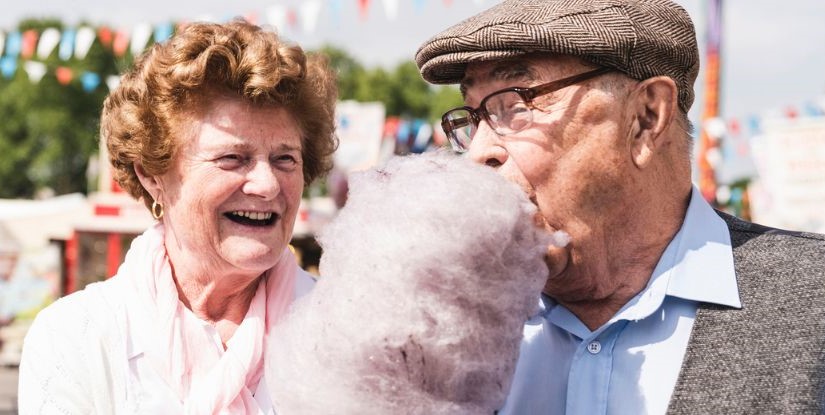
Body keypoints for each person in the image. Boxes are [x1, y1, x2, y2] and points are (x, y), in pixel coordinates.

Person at [415, 0, 825, 413]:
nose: (478, 153)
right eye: (473, 116)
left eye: (516, 104)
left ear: (645, 118)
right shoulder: (440, 320)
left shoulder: (814, 296)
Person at [18, 20, 337, 413]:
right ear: (151, 174)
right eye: (232, 158)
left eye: (285, 158)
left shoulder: (345, 327)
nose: (268, 184)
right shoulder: (76, 337)